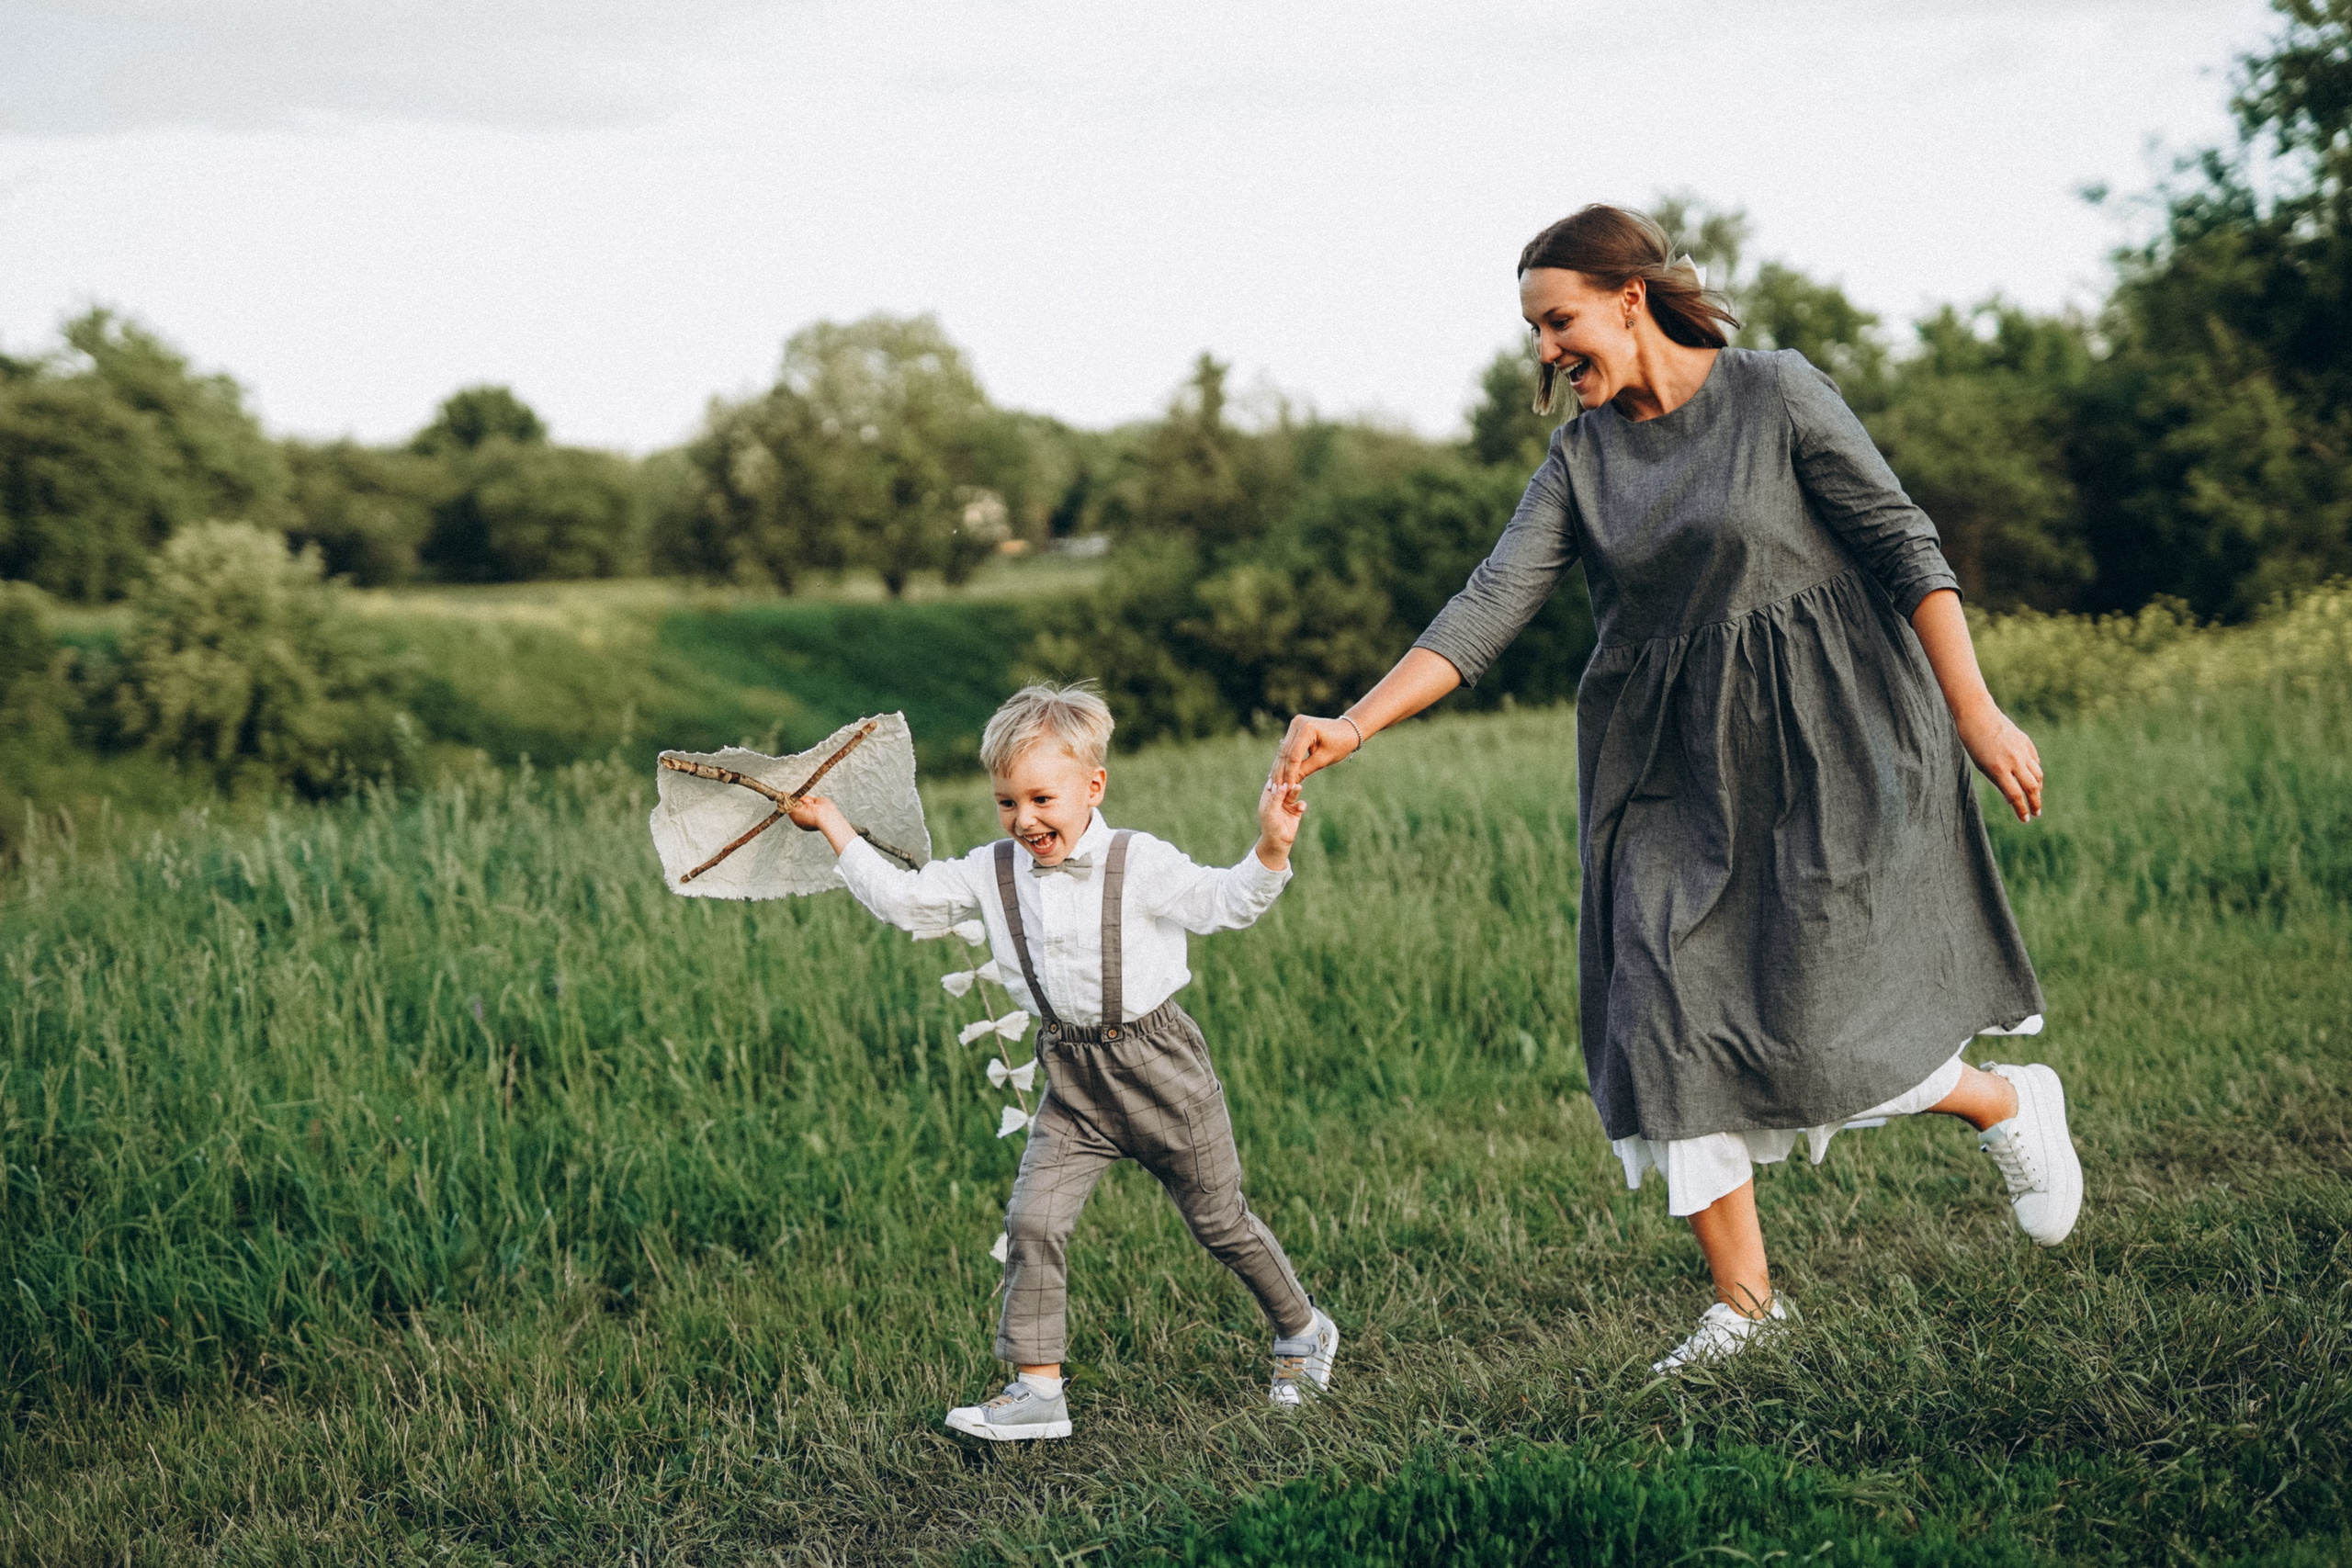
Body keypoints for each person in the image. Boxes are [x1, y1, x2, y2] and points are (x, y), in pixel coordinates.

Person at [1273, 204, 2083, 1374]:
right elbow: (1491, 602)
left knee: (1819, 1027)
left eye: (1558, 321)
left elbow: (1904, 544)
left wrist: (1973, 708)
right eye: (1534, 332)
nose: (1546, 349)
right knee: (1660, 1018)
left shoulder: (1775, 392)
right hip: (1663, 770)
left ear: (1628, 298)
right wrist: (1354, 722)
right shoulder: (1581, 459)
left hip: (1830, 744)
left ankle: (2004, 1105)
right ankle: (1745, 1309)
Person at [787, 682, 1339, 1438]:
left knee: (1219, 1220)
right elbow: (908, 903)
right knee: (1032, 1219)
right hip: (1073, 1081)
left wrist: (1271, 846)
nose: (1026, 819)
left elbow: (1225, 902)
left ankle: (1303, 1328)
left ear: (1092, 786)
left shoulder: (1136, 859)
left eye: (1042, 798)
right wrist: (832, 826)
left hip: (1161, 1068)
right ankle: (1038, 1385)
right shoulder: (991, 870)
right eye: (1007, 802)